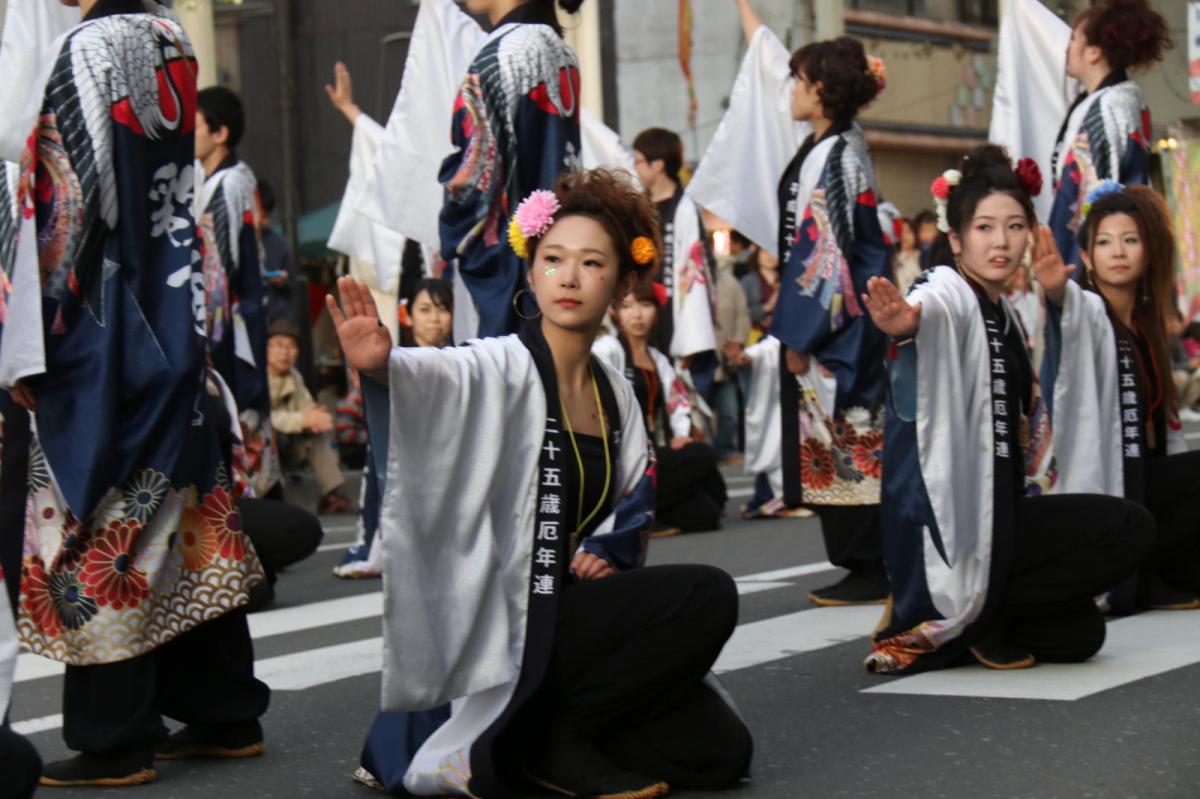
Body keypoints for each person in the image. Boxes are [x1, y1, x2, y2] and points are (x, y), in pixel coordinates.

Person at [329, 169, 751, 796]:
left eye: (591, 263)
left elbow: (635, 494)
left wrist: (610, 546)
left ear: (622, 280)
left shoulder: (616, 389)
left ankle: (546, 730)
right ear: (530, 272)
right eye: (553, 259)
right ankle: (553, 738)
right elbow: (443, 377)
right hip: (511, 617)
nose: (569, 278)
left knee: (719, 755)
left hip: (574, 613)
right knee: (708, 594)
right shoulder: (500, 365)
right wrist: (384, 365)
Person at [0, 1, 269, 785]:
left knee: (97, 509)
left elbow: (72, 202)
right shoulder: (169, 36)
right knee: (183, 504)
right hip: (169, 305)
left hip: (107, 323)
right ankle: (223, 708)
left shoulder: (87, 45)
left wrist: (36, 336)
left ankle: (114, 732)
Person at [863, 146, 1154, 674]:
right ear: (955, 238)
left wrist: (1057, 294)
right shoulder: (947, 290)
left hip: (1004, 511)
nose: (1001, 242)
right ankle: (969, 613)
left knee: (1084, 627)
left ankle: (994, 606)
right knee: (1107, 561)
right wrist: (909, 327)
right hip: (962, 518)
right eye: (983, 227)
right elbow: (931, 306)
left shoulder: (1008, 311)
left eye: (1015, 226)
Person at [733, 0, 892, 606]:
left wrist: (800, 336)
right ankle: (864, 560)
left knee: (846, 438)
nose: (792, 91)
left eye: (799, 81)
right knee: (840, 439)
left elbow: (826, 257)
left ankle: (870, 563)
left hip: (839, 326)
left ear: (822, 90)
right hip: (846, 320)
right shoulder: (836, 146)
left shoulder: (835, 154)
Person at [1039, 182, 1200, 610]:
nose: (1119, 251)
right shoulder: (1087, 312)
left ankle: (1168, 572)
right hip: (1111, 475)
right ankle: (1146, 577)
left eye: (1130, 240)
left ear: (1148, 252)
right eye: (1104, 242)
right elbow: (1065, 306)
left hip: (1147, 470)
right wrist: (1055, 290)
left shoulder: (1146, 326)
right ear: (1087, 257)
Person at [440, 0, 587, 338]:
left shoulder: (502, 53)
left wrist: (454, 230)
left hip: (510, 271)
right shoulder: (558, 49)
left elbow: (475, 181)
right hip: (554, 263)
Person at [335, 278, 455, 580]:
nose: (434, 318)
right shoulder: (391, 359)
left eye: (442, 309)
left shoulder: (465, 359)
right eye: (425, 309)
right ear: (408, 315)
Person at [196, 85, 281, 499]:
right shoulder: (229, 179)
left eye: (195, 125)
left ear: (219, 133)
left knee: (238, 412)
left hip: (232, 327)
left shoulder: (228, 183)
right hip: (236, 321)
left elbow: (220, 271)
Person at [594, 279, 729, 534]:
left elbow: (677, 402)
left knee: (707, 515)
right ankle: (632, 511)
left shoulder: (658, 359)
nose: (637, 314)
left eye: (645, 305)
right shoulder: (607, 350)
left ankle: (643, 513)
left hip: (651, 452)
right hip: (621, 454)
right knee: (704, 456)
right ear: (614, 312)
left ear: (656, 310)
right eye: (627, 306)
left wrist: (680, 434)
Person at [1048, 0, 1171, 271]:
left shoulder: (1107, 106)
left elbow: (1092, 194)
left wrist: (1075, 272)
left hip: (1093, 263)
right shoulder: (1113, 100)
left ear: (1094, 52)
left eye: (1073, 39)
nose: (1067, 48)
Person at [631, 127, 719, 404]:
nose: (634, 168)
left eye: (638, 160)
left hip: (673, 321)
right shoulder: (639, 208)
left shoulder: (685, 210)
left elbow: (697, 273)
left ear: (658, 165)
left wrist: (691, 336)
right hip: (639, 316)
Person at [267, 320, 355, 514]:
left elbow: (306, 406)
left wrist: (315, 415)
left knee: (317, 431)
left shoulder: (294, 377)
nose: (284, 352)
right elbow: (264, 417)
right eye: (278, 345)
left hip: (289, 445)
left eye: (291, 346)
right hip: (264, 445)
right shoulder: (258, 378)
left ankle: (331, 493)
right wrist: (303, 420)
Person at [712, 254, 751, 461]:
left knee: (729, 412)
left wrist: (737, 342)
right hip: (698, 357)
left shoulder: (731, 284)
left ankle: (724, 448)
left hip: (724, 358)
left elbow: (742, 316)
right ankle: (705, 452)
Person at [257, 180, 297, 325]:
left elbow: (292, 283)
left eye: (266, 215)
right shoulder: (235, 240)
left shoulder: (279, 243)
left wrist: (283, 281)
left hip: (275, 318)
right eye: (260, 213)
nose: (262, 220)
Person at [740, 245, 781, 342]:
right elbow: (741, 312)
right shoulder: (747, 281)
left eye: (775, 252)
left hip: (781, 337)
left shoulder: (785, 279)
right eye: (765, 251)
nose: (770, 256)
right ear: (757, 253)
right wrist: (766, 307)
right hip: (756, 336)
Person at [893, 218, 923, 295]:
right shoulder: (892, 259)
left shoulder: (923, 256)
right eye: (900, 232)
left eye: (908, 232)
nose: (904, 236)